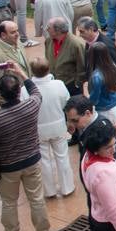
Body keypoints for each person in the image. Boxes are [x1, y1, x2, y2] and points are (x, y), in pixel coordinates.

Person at [0, 64, 53, 231]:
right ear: (19, 92)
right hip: (32, 161)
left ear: (0, 93)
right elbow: (36, 91)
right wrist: (21, 73)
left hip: (8, 168)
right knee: (36, 199)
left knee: (9, 203)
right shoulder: (31, 105)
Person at [28, 58, 73, 198]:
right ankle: (67, 187)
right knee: (62, 156)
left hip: (39, 129)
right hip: (58, 126)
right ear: (48, 69)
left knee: (44, 161)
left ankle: (49, 190)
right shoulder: (58, 84)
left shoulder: (26, 90)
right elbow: (67, 101)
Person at [0, 21, 29, 103]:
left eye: (17, 30)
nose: (17, 34)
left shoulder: (18, 43)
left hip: (27, 94)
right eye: (13, 32)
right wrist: (8, 104)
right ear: (3, 35)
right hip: (16, 101)